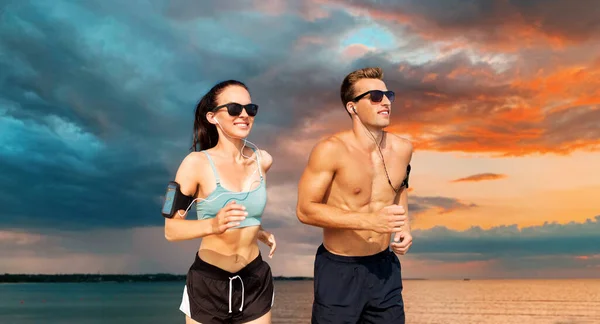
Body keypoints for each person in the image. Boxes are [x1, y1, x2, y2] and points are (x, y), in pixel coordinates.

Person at [296, 67, 414, 323]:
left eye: (388, 95)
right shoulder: (330, 150)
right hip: (340, 269)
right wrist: (370, 221)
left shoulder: (403, 148)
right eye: (374, 96)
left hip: (385, 269)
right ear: (352, 107)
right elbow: (305, 209)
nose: (385, 102)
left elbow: (400, 189)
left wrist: (404, 227)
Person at [163, 80, 277, 324]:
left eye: (251, 109)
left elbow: (247, 212)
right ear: (212, 117)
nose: (244, 115)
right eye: (235, 109)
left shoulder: (262, 160)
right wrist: (213, 225)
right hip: (209, 284)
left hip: (254, 279)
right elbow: (171, 231)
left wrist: (258, 230)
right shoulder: (195, 163)